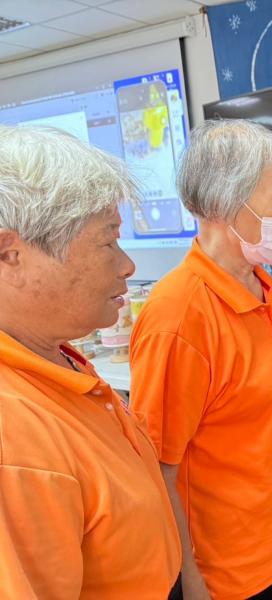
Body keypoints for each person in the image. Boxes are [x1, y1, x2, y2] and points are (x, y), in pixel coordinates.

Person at [129, 119, 272, 600]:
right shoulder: (179, 317)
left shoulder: (263, 284)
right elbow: (160, 469)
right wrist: (190, 581)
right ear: (223, 204)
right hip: (230, 576)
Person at [0, 125, 180, 598]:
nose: (127, 265)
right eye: (107, 242)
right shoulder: (13, 437)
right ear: (10, 254)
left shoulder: (57, 356)